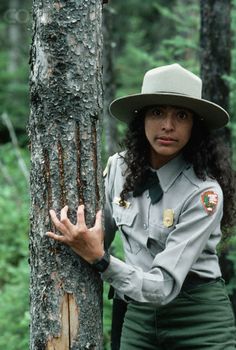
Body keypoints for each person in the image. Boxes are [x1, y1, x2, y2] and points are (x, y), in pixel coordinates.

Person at [47, 63, 236, 349]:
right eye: (157, 112)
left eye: (181, 115)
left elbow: (162, 286)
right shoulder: (118, 168)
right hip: (138, 316)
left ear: (194, 124)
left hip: (199, 320)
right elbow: (100, 235)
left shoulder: (204, 194)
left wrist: (101, 260)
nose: (168, 126)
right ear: (142, 118)